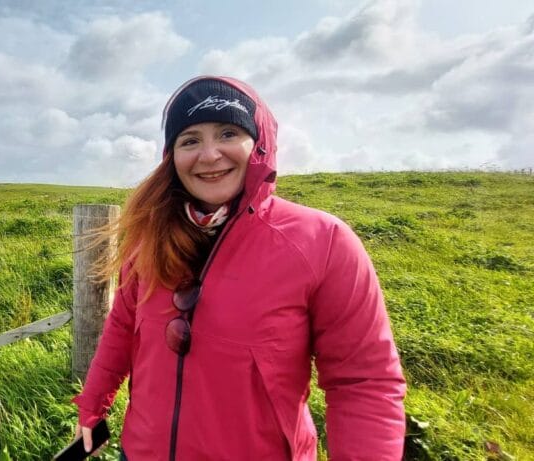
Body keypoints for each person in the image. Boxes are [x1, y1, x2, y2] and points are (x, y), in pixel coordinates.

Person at [70, 76, 406, 460]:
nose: (209, 154)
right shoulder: (151, 237)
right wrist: (93, 406)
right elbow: (122, 327)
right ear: (171, 156)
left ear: (260, 144)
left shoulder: (322, 241)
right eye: (190, 140)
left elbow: (363, 381)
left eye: (228, 133)